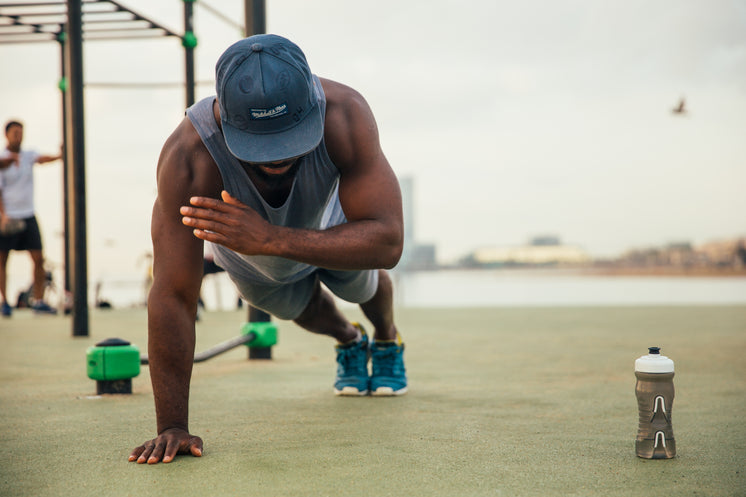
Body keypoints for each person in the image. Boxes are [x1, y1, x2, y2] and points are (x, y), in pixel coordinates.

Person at [129, 34, 407, 465]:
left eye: (289, 138)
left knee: (363, 286)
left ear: (312, 105)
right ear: (224, 119)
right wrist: (172, 426)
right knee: (298, 305)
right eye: (262, 143)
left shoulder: (345, 113)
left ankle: (386, 341)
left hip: (328, 220)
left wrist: (272, 238)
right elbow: (172, 293)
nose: (277, 156)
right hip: (246, 250)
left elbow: (388, 240)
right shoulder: (189, 158)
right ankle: (350, 340)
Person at [0, 120, 61, 317]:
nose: (19, 136)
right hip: (8, 216)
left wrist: (61, 154)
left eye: (21, 133)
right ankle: (5, 302)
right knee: (2, 260)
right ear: (6, 134)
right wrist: (3, 215)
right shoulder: (2, 159)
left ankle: (39, 301)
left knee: (38, 258)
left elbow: (43, 159)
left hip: (28, 215)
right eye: (15, 133)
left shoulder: (28, 156)